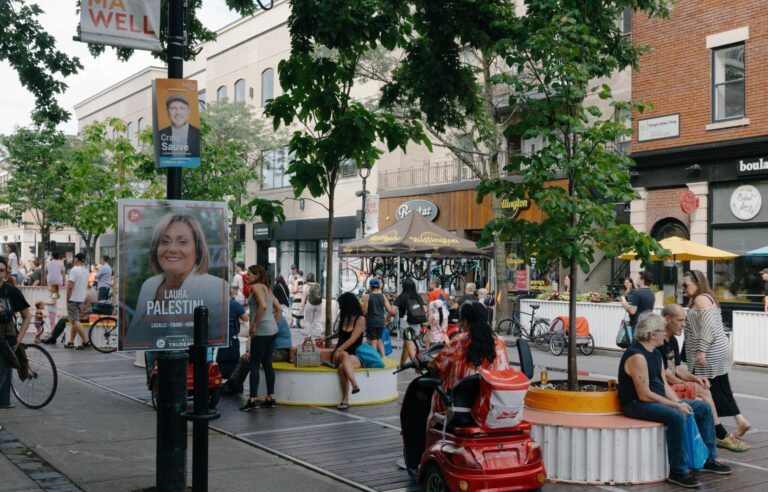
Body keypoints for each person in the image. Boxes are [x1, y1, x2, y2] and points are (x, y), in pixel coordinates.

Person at [618, 312, 732, 488]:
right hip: (636, 404)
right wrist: (675, 406)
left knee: (703, 408)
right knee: (676, 416)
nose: (665, 333)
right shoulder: (637, 356)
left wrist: (679, 402)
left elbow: (664, 386)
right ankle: (678, 471)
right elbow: (644, 394)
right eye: (662, 330)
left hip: (654, 400)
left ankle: (709, 459)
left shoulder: (655, 354)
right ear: (651, 334)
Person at [126, 213, 228, 346]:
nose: (172, 249)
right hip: (149, 365)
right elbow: (132, 337)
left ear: (197, 250)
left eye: (182, 242)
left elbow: (220, 346)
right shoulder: (149, 285)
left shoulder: (216, 287)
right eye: (165, 241)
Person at [660, 304, 749, 453]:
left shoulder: (673, 341)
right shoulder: (658, 340)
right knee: (702, 393)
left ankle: (705, 450)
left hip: (669, 387)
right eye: (680, 320)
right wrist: (689, 384)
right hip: (661, 390)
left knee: (702, 399)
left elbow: (677, 369)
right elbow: (665, 375)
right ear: (667, 319)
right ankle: (720, 434)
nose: (684, 325)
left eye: (685, 320)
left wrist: (695, 378)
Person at [682, 270, 751, 441]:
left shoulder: (700, 299)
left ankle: (715, 430)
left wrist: (701, 350)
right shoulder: (707, 297)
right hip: (717, 350)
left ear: (697, 283)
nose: (683, 288)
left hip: (709, 353)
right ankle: (739, 420)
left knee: (705, 390)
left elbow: (708, 327)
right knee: (720, 388)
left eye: (686, 285)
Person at [427, 302, 509, 423]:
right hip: (490, 404)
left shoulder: (459, 341)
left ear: (465, 322)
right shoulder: (499, 342)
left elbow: (434, 365)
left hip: (457, 406)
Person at [240, 265, 282, 412]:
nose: (247, 276)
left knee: (254, 364)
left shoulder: (257, 287)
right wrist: (273, 324)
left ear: (257, 275)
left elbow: (263, 306)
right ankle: (270, 398)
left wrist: (254, 325)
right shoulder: (268, 288)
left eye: (250, 274)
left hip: (261, 331)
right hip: (271, 331)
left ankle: (252, 400)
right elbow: (279, 309)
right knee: (267, 363)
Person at [321, 292, 365, 410]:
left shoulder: (360, 319)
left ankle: (345, 399)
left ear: (348, 305)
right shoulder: (345, 318)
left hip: (353, 354)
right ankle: (354, 384)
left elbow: (353, 338)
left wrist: (340, 349)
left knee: (342, 368)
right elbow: (340, 333)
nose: (340, 307)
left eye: (341, 305)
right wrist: (328, 338)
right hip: (338, 354)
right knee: (344, 355)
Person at [0, 257, 32, 409]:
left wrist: (18, 339)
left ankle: (4, 402)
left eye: (1, 270)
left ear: (6, 274)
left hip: (7, 338)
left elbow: (27, 316)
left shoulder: (11, 291)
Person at [362, 277, 397, 358]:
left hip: (372, 322)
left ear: (370, 287)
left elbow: (364, 311)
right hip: (381, 321)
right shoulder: (383, 296)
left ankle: (374, 358)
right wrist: (387, 320)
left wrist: (366, 301)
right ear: (379, 286)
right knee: (379, 339)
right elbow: (390, 310)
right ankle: (383, 356)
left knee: (373, 341)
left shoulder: (367, 296)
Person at [65, 253, 91, 349]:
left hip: (73, 298)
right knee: (75, 321)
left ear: (77, 259)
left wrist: (67, 298)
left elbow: (70, 286)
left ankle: (86, 341)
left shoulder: (74, 270)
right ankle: (70, 342)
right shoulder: (86, 271)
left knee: (75, 321)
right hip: (81, 299)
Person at [620, 270, 655, 336]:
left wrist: (624, 304)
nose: (637, 280)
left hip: (636, 326)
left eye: (638, 278)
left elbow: (632, 311)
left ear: (642, 280)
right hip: (646, 326)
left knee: (633, 346)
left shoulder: (637, 293)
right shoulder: (651, 293)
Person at [301, 273, 323, 337]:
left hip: (310, 304)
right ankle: (321, 329)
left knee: (309, 320)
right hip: (319, 304)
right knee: (317, 320)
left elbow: (304, 297)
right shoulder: (318, 284)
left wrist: (302, 306)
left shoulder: (306, 285)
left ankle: (309, 334)